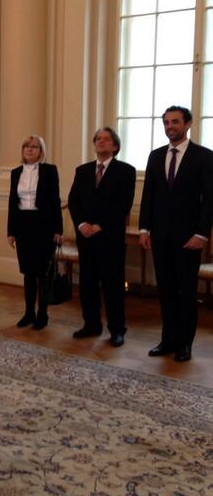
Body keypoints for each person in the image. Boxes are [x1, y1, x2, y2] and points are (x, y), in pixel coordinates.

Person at [139, 106, 213, 362]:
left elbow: (210, 200)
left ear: (188, 124)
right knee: (166, 290)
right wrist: (144, 229)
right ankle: (168, 340)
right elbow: (148, 195)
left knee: (186, 292)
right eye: (166, 122)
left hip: (189, 238)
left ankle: (185, 344)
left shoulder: (204, 156)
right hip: (160, 236)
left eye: (175, 122)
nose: (170, 126)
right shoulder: (156, 155)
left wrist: (202, 234)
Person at [68, 127, 136, 346]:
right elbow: (73, 201)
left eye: (106, 139)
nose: (101, 141)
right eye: (98, 138)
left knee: (112, 285)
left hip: (110, 237)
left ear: (115, 146)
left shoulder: (126, 171)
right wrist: (81, 224)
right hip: (85, 237)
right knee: (87, 283)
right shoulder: (82, 170)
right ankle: (91, 324)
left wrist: (99, 226)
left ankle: (117, 330)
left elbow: (123, 205)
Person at [7, 135, 63, 330]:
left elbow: (55, 201)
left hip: (44, 226)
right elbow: (12, 203)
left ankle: (42, 314)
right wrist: (11, 231)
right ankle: (29, 312)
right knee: (28, 272)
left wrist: (58, 229)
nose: (30, 149)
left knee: (43, 273)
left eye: (34, 146)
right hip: (23, 226)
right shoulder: (16, 172)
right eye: (27, 146)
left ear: (41, 151)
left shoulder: (49, 170)